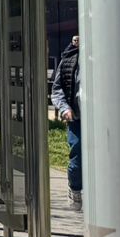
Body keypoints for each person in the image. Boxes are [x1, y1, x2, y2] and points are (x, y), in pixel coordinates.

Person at [52, 33, 82, 211]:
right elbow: (57, 89)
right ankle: (75, 188)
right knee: (77, 154)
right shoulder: (70, 59)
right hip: (77, 117)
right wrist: (64, 108)